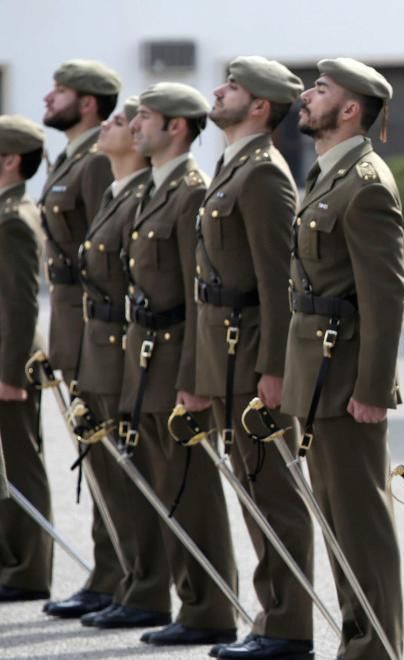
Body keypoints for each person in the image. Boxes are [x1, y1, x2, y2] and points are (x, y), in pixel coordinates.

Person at [283, 57, 404, 660]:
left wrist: (374, 390)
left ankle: (376, 649)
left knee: (361, 526)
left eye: (321, 89)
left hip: (345, 377)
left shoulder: (367, 183)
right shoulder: (329, 174)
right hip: (317, 373)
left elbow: (384, 297)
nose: (307, 96)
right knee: (337, 523)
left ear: (351, 109)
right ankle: (360, 643)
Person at [195, 56, 315, 660]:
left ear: (261, 107)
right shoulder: (233, 167)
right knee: (253, 487)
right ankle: (272, 619)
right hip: (227, 354)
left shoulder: (265, 175)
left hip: (252, 359)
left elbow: (278, 284)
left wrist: (275, 367)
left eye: (233, 87)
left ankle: (288, 627)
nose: (218, 92)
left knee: (274, 492)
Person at [123, 82, 238, 647]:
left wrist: (194, 375)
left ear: (175, 127)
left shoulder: (190, 190)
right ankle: (190, 602)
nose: (134, 124)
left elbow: (199, 296)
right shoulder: (155, 188)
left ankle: (208, 606)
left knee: (190, 484)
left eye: (144, 116)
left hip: (177, 352)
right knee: (166, 482)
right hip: (150, 352)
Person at [75, 96, 173, 630]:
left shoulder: (143, 195)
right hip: (106, 342)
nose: (115, 127)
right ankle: (130, 581)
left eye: (120, 121)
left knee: (134, 471)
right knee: (114, 473)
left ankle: (146, 587)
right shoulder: (121, 192)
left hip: (127, 344)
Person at [39, 59, 121, 620]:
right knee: (93, 455)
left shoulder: (95, 163)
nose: (48, 98)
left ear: (88, 103)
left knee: (108, 457)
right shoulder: (69, 157)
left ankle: (119, 577)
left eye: (61, 91)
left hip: (94, 322)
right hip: (71, 320)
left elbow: (105, 258)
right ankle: (107, 573)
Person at [0, 115, 50, 602]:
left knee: (20, 464)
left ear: (11, 160)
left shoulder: (14, 216)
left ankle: (29, 570)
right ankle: (9, 562)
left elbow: (21, 301)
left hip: (9, 360)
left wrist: (10, 372)